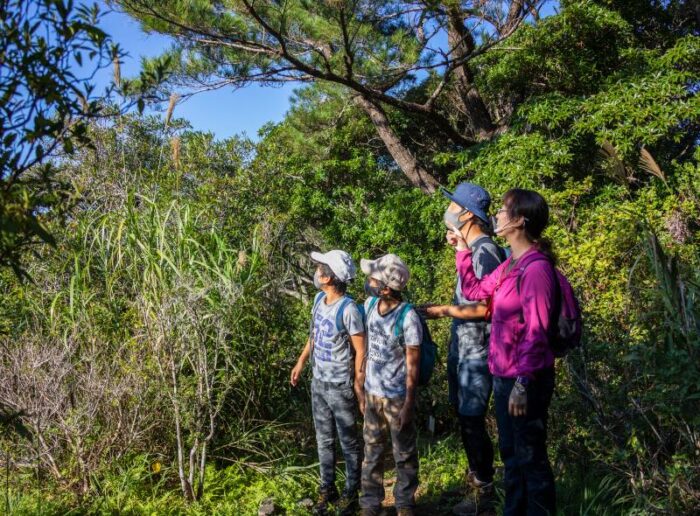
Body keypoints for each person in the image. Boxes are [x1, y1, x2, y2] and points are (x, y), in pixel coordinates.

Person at [452, 188, 558, 516]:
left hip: (525, 381)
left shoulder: (536, 269)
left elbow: (537, 333)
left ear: (519, 221)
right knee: (512, 459)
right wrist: (461, 251)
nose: (496, 215)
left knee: (531, 462)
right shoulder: (511, 263)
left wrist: (523, 384)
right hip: (502, 377)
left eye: (503, 210)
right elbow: (474, 290)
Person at [421, 183, 505, 515]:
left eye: (454, 206)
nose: (450, 210)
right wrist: (460, 248)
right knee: (465, 417)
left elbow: (487, 308)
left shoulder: (486, 251)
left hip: (478, 354)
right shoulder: (474, 249)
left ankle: (485, 493)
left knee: (471, 421)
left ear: (467, 213)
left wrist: (443, 311)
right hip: (465, 351)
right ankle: (479, 481)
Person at [290, 250, 366, 516]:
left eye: (321, 269)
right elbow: (314, 334)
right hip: (319, 382)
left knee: (348, 441)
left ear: (330, 278)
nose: (317, 272)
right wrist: (301, 361)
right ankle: (328, 487)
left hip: (340, 386)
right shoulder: (319, 299)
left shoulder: (349, 310)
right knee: (323, 439)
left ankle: (352, 492)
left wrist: (358, 385)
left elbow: (360, 349)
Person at [359, 254, 422, 516]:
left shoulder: (408, 318)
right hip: (373, 393)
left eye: (373, 278)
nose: (368, 281)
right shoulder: (370, 305)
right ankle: (370, 504)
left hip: (396, 397)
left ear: (386, 288)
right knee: (372, 451)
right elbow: (365, 345)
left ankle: (404, 503)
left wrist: (408, 402)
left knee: (403, 453)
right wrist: (360, 384)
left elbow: (413, 364)